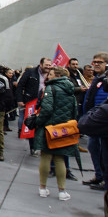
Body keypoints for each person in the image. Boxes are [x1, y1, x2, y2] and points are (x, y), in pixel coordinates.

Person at [34, 66, 79, 201]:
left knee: (46, 157)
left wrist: (38, 121)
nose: (49, 76)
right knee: (60, 159)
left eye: (51, 74)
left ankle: (42, 188)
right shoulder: (70, 89)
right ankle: (62, 191)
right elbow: (74, 110)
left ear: (57, 76)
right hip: (63, 129)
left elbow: (46, 109)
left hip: (49, 127)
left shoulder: (50, 88)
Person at [17, 57, 53, 155]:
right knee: (32, 124)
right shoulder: (30, 72)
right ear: (41, 64)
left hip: (44, 103)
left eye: (50, 65)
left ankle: (40, 146)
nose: (48, 67)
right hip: (30, 103)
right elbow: (20, 85)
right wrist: (20, 99)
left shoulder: (51, 74)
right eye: (46, 65)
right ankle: (33, 146)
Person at [83, 52, 108, 190]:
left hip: (102, 122)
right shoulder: (98, 79)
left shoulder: (105, 79)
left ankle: (104, 178)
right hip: (94, 120)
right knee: (94, 148)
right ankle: (99, 176)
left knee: (102, 151)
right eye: (95, 62)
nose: (96, 64)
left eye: (100, 62)